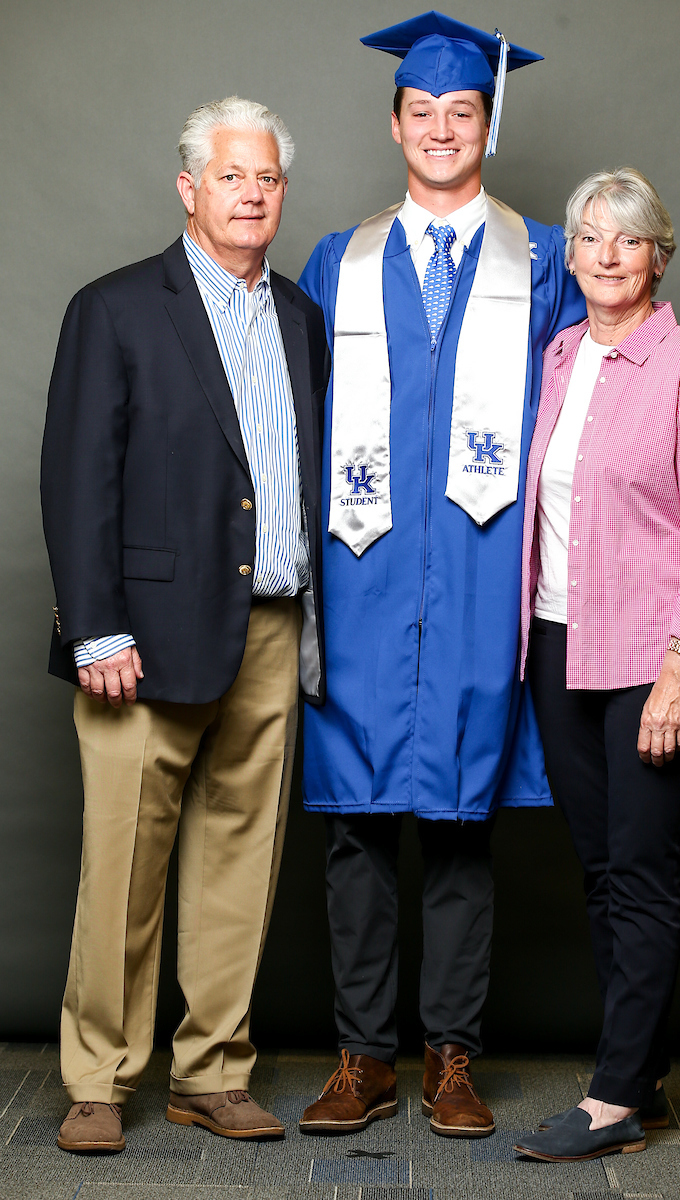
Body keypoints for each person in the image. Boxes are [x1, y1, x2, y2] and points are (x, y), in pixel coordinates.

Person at [295, 15, 680, 1140]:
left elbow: (613, 369)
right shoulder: (335, 260)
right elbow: (291, 402)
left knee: (461, 819)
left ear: (488, 123)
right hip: (361, 582)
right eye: (421, 112)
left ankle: (451, 1055)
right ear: (393, 124)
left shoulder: (547, 258)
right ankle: (361, 1058)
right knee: (357, 819)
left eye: (462, 111)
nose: (441, 129)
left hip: (480, 583)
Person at [40, 96, 328, 1154]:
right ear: (188, 189)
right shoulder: (115, 307)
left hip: (271, 628)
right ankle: (99, 1079)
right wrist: (96, 629)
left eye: (267, 177)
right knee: (123, 861)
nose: (251, 194)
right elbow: (77, 475)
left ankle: (212, 1071)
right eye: (230, 176)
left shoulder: (299, 315)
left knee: (241, 861)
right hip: (143, 638)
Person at [513, 168, 680, 1163]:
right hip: (559, 643)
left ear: (658, 255)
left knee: (643, 874)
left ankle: (611, 1102)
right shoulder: (560, 354)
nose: (606, 255)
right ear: (569, 255)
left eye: (628, 238)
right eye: (589, 238)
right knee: (604, 872)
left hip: (654, 651)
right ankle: (640, 1075)